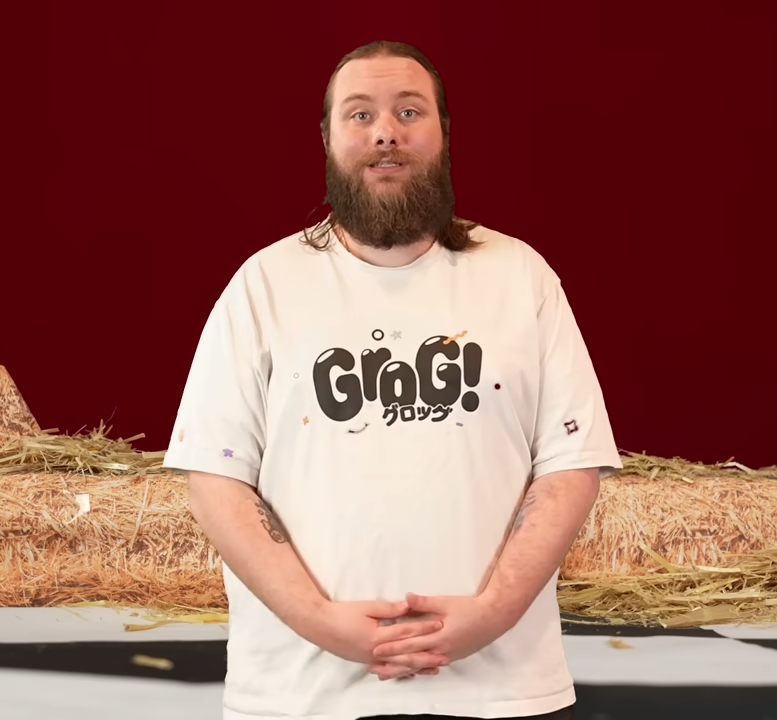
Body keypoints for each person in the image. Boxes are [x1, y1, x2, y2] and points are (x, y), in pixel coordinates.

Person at [162, 40, 622, 720]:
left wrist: (492, 613)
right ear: (326, 139)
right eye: (360, 114)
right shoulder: (263, 285)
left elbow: (569, 465)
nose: (385, 131)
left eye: (409, 111)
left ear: (442, 133)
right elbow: (216, 478)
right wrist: (319, 620)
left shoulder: (520, 276)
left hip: (503, 692)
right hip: (299, 696)